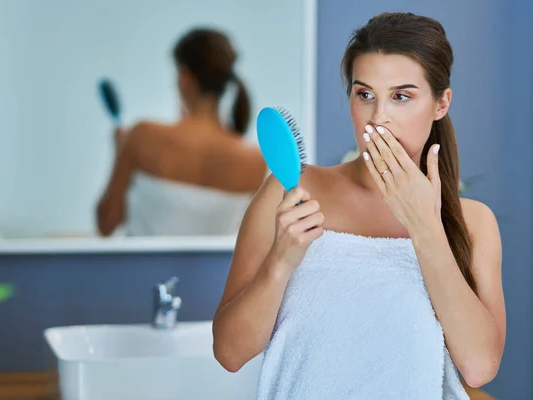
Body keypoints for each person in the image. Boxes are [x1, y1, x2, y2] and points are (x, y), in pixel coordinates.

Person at [212, 12, 505, 398]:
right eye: (364, 94)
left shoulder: (474, 222)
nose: (378, 118)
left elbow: (480, 367)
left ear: (441, 103)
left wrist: (426, 228)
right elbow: (230, 353)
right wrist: (280, 262)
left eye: (401, 96)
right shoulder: (292, 193)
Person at [96, 27, 266, 236]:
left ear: (185, 78)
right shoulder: (256, 161)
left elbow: (107, 223)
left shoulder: (142, 136)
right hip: (216, 271)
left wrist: (120, 152)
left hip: (143, 270)